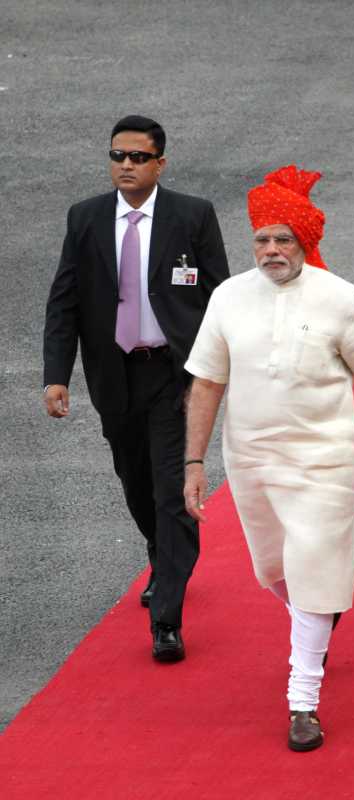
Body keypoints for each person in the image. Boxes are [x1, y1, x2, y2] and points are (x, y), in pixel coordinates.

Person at [182, 165, 354, 752]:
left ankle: (303, 701)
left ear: (305, 242)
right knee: (274, 571)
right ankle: (318, 619)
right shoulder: (228, 296)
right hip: (251, 462)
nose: (271, 250)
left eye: (284, 239)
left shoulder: (339, 297)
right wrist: (194, 464)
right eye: (262, 239)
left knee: (310, 573)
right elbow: (206, 383)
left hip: (325, 462)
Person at [43, 115, 230, 662]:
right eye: (117, 156)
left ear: (159, 163)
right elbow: (65, 301)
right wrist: (57, 375)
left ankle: (166, 617)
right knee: (136, 479)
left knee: (172, 489)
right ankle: (163, 553)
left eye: (137, 157)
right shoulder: (85, 219)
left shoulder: (192, 216)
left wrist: (221, 367)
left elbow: (219, 295)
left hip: (174, 375)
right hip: (114, 374)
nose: (125, 165)